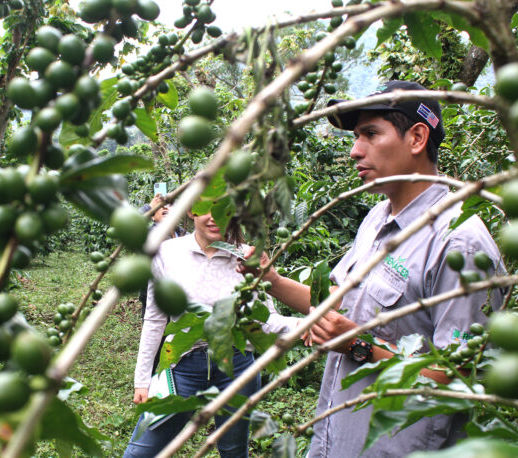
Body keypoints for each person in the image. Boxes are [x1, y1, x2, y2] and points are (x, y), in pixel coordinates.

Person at [262, 81, 505, 457]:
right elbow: (339, 308)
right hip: (336, 436)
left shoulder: (460, 243)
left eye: (370, 134)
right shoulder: (377, 217)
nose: (355, 151)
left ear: (417, 138)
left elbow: (457, 379)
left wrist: (361, 346)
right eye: (356, 136)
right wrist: (271, 281)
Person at [123, 213, 300, 457]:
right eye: (208, 205)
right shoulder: (166, 252)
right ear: (192, 210)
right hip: (181, 366)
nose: (215, 216)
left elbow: (265, 319)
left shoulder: (248, 257)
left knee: (233, 451)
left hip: (238, 368)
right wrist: (142, 380)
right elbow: (155, 319)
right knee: (141, 451)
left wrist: (309, 323)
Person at [138, 194, 187, 319]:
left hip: (180, 296)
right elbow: (129, 226)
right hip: (154, 297)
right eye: (161, 207)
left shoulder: (184, 234)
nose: (165, 208)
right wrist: (148, 207)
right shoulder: (147, 234)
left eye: (170, 205)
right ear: (152, 216)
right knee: (156, 333)